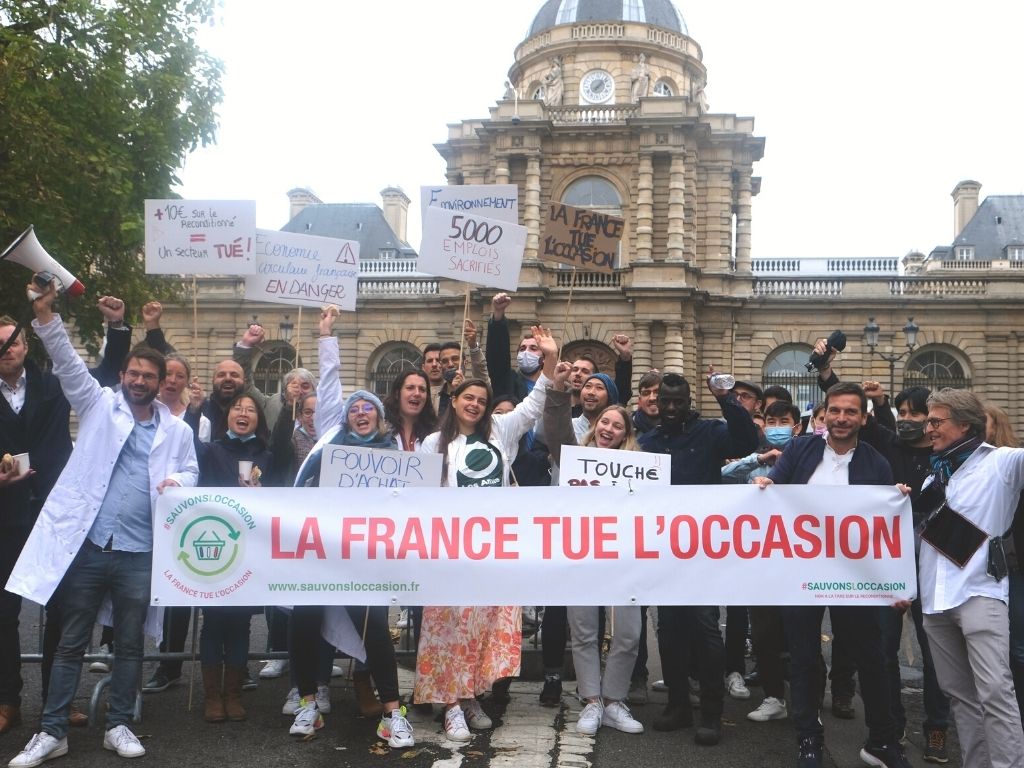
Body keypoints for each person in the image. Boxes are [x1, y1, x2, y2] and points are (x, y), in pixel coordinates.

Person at [8, 278, 198, 766]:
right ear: (125, 375)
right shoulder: (98, 405)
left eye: (147, 376)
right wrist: (46, 317)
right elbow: (70, 365)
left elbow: (190, 469)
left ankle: (119, 723)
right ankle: (52, 731)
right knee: (72, 639)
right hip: (90, 545)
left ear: (160, 383)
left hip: (139, 550)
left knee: (131, 643)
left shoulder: (176, 429)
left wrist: (177, 480)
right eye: (132, 373)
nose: (138, 381)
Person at [754, 382, 909, 768]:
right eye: (835, 411)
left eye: (850, 412)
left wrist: (897, 500)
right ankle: (808, 737)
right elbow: (776, 490)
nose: (842, 418)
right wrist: (765, 485)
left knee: (870, 657)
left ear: (863, 417)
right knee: (805, 657)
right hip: (801, 574)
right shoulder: (801, 449)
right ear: (824, 414)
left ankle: (882, 741)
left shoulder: (875, 462)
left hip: (854, 577)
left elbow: (883, 526)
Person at [415, 325, 557, 741]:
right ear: (454, 402)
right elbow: (418, 500)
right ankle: (452, 705)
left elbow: (536, 402)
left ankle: (472, 694)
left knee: (482, 628)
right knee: (448, 628)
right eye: (468, 399)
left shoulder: (502, 432)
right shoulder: (431, 444)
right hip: (447, 550)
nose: (475, 405)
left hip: (491, 549)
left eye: (481, 400)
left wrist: (550, 356)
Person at [1, 297, 129, 734]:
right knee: (4, 614)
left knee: (64, 613)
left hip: (56, 516)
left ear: (24, 346)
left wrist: (117, 326)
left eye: (11, 343)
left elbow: (107, 377)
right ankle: (7, 701)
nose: (6, 351)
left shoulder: (55, 384)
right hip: (4, 518)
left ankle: (60, 701)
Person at [286, 307, 413, 748]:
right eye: (354, 409)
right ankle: (307, 705)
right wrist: (327, 337)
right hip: (319, 551)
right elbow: (329, 384)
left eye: (369, 409)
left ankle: (393, 714)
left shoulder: (391, 452)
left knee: (374, 627)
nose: (361, 413)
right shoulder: (330, 442)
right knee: (304, 623)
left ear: (380, 418)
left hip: (364, 557)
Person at [639, 367, 758, 747]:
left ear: (689, 401)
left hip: (703, 550)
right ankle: (677, 703)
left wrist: (726, 397)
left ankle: (711, 711)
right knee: (669, 629)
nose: (671, 407)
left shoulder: (710, 432)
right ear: (656, 402)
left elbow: (746, 438)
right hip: (663, 550)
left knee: (705, 627)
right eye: (665, 401)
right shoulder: (649, 441)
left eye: (678, 401)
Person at [912, 389, 1024, 768]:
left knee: (995, 693)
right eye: (928, 421)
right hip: (934, 599)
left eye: (935, 421)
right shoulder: (933, 476)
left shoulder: (1003, 463)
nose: (928, 428)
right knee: (960, 695)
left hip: (980, 593)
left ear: (964, 424)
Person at [548, 394, 645, 736]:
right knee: (584, 632)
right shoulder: (572, 459)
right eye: (605, 421)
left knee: (629, 633)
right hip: (582, 558)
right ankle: (591, 700)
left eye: (618, 425)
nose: (609, 428)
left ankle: (614, 700)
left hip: (624, 562)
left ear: (625, 435)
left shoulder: (640, 469)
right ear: (595, 425)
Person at [195, 392, 292, 723]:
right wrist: (195, 410)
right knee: (213, 623)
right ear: (227, 416)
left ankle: (233, 694)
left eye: (251, 409)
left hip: (251, 549)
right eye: (238, 407)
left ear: (258, 419)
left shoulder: (266, 454)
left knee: (240, 622)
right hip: (216, 548)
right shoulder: (211, 450)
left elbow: (280, 494)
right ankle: (211, 695)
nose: (244, 412)